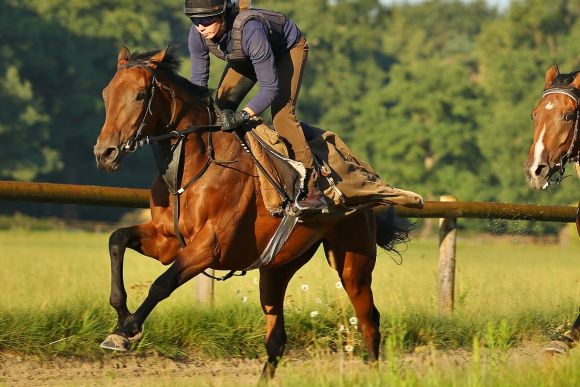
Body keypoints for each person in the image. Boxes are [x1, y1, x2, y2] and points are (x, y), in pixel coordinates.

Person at [184, 0, 327, 211]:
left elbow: (270, 89)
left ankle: (312, 185)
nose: (200, 26)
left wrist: (243, 115)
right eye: (195, 20)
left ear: (224, 15)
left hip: (286, 50)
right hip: (248, 54)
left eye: (206, 19)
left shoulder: (251, 30)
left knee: (281, 115)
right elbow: (198, 83)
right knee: (219, 107)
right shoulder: (197, 34)